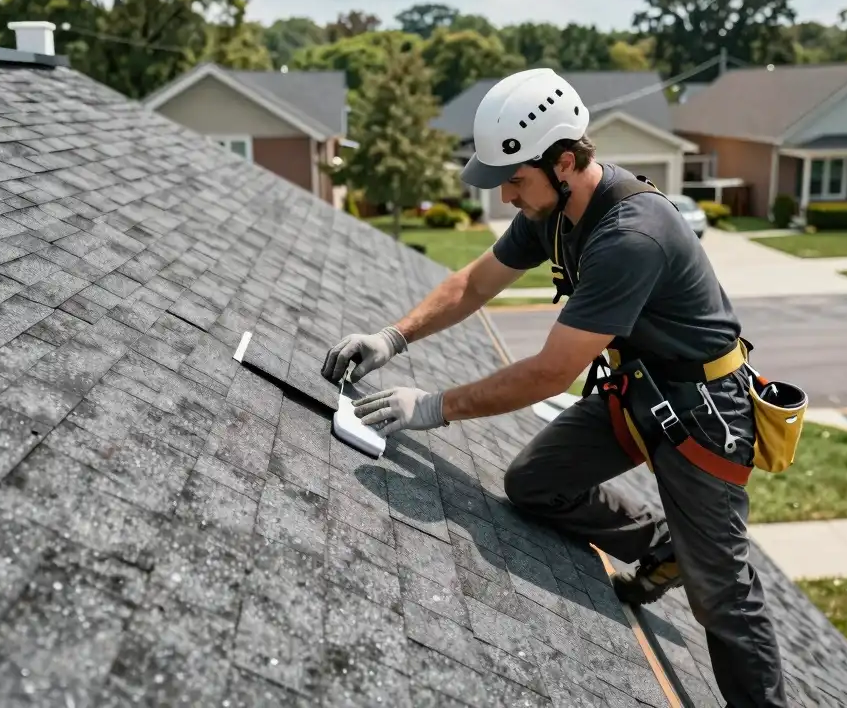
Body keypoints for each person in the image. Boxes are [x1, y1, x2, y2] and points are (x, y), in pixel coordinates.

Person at [320, 67, 788, 707]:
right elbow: (471, 285)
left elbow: (548, 373)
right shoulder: (556, 211)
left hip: (706, 414)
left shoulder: (631, 236)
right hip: (640, 392)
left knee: (722, 597)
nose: (506, 195)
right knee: (532, 484)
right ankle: (664, 546)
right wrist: (392, 338)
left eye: (515, 178)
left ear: (564, 161)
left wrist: (429, 407)